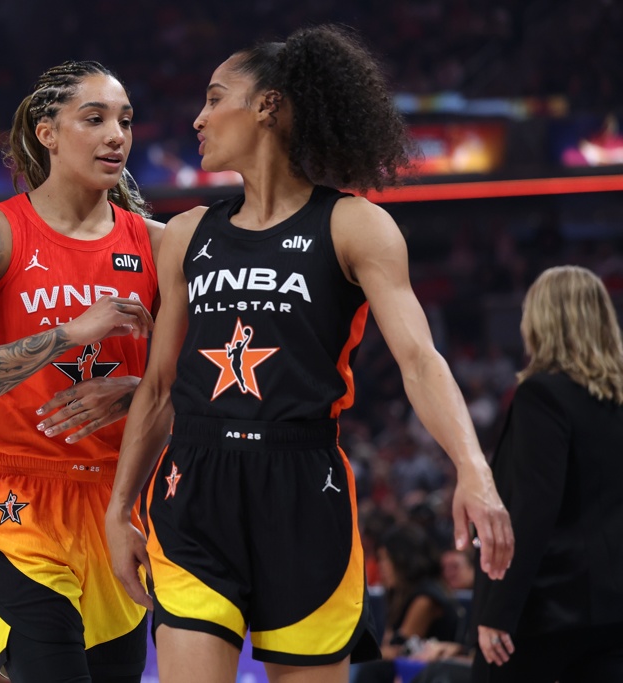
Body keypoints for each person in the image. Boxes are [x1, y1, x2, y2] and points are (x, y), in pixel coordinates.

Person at [104, 25, 514, 683]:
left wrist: (473, 467)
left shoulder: (355, 225)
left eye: (215, 97)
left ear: (268, 106)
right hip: (193, 484)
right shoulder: (186, 234)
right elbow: (157, 389)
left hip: (304, 483)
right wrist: (119, 507)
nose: (198, 117)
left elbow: (419, 359)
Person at [0, 60, 162, 682]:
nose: (116, 136)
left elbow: (210, 377)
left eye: (126, 121)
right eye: (95, 118)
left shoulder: (159, 244)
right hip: (17, 499)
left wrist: (139, 390)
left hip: (120, 500)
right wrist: (67, 334)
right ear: (46, 132)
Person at [472, 265, 623, 682]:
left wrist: (499, 611)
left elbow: (533, 510)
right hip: (614, 612)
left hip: (550, 609)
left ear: (539, 321)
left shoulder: (542, 394)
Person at [352, 524, 461, 683]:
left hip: (430, 671)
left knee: (371, 669)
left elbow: (400, 649)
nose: (381, 566)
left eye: (385, 558)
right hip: (417, 670)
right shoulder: (400, 595)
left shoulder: (425, 598)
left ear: (402, 559)